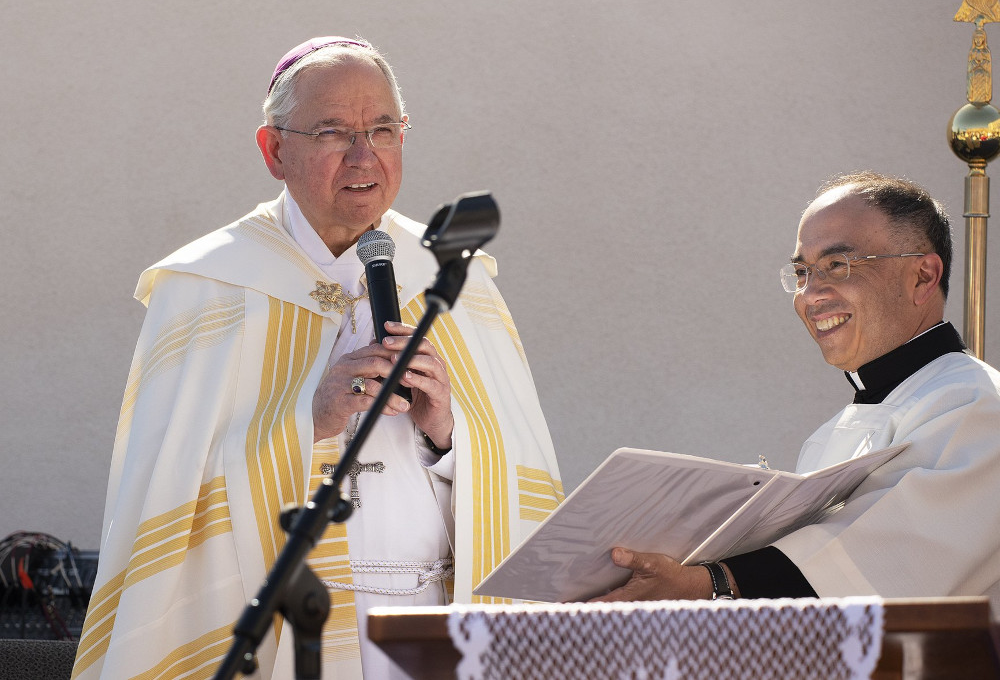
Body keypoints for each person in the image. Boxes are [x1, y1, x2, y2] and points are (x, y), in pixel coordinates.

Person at [72, 36, 563, 679]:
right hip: (285, 627)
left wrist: (449, 432)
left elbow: (520, 476)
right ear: (275, 150)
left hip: (437, 625)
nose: (365, 156)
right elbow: (166, 495)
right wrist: (309, 425)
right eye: (333, 132)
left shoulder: (453, 278)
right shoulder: (209, 286)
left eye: (383, 129)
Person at [592, 172, 1000, 611]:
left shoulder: (976, 406)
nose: (810, 295)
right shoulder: (836, 430)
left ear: (922, 276)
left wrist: (703, 584)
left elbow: (887, 566)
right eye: (803, 272)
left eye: (837, 265)